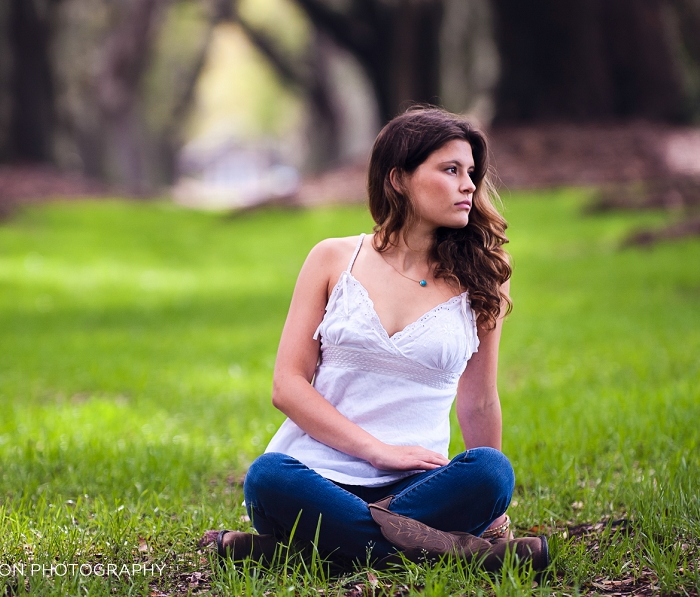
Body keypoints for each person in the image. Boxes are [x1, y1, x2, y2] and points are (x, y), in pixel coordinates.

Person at [200, 107, 548, 571]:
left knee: (491, 472)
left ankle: (297, 554)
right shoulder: (332, 259)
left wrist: (494, 510)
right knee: (267, 476)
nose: (468, 185)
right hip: (315, 478)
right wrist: (377, 450)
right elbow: (288, 385)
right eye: (450, 170)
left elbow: (480, 401)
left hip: (418, 487)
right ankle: (461, 554)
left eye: (470, 173)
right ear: (398, 179)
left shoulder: (483, 276)